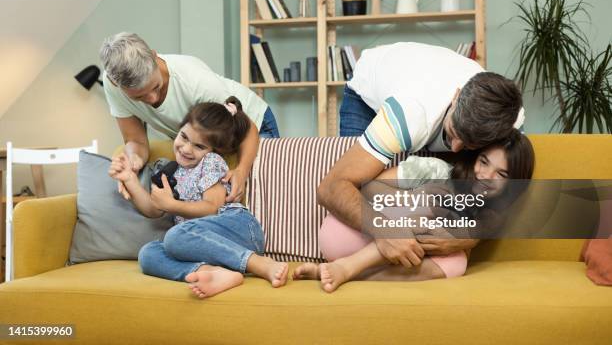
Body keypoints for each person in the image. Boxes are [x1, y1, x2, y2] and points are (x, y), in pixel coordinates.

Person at [319, 42, 525, 266]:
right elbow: (331, 188)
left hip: (427, 92)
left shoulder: (510, 121)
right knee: (357, 200)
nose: (454, 149)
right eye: (453, 133)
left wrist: (467, 238)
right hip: (369, 94)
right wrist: (386, 232)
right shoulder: (409, 114)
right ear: (456, 98)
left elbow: (504, 197)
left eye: (469, 145)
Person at [295, 130, 535, 292]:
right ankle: (346, 268)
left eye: (502, 174)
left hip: (364, 260)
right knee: (433, 207)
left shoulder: (486, 216)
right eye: (484, 162)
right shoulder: (437, 171)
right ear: (474, 158)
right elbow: (368, 190)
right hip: (348, 229)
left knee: (456, 264)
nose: (486, 176)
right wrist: (415, 200)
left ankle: (340, 272)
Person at [108, 97, 288, 298]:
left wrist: (173, 205)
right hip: (206, 247)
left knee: (175, 235)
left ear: (213, 150)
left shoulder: (211, 163)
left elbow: (212, 207)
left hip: (239, 229)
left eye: (199, 146)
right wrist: (130, 179)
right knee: (148, 254)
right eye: (183, 137)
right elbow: (153, 208)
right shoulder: (171, 171)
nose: (186, 149)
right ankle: (213, 273)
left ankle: (259, 263)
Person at [100, 32, 279, 204]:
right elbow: (135, 140)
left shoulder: (195, 81)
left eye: (156, 87)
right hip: (208, 145)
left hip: (250, 126)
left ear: (154, 57)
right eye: (139, 97)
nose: (152, 100)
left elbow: (248, 128)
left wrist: (241, 170)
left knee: (265, 199)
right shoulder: (112, 85)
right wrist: (133, 162)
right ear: (116, 84)